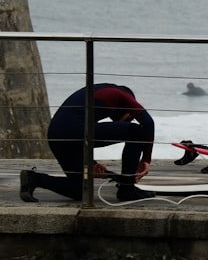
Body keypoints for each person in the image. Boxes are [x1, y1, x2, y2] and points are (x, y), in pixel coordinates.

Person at [19, 83, 156, 202]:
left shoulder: (97, 94)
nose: (126, 121)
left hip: (57, 136)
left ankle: (35, 179)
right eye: (129, 117)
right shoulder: (120, 94)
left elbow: (82, 130)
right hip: (73, 132)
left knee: (80, 190)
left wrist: (92, 163)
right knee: (137, 132)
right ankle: (127, 188)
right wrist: (146, 159)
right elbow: (148, 123)